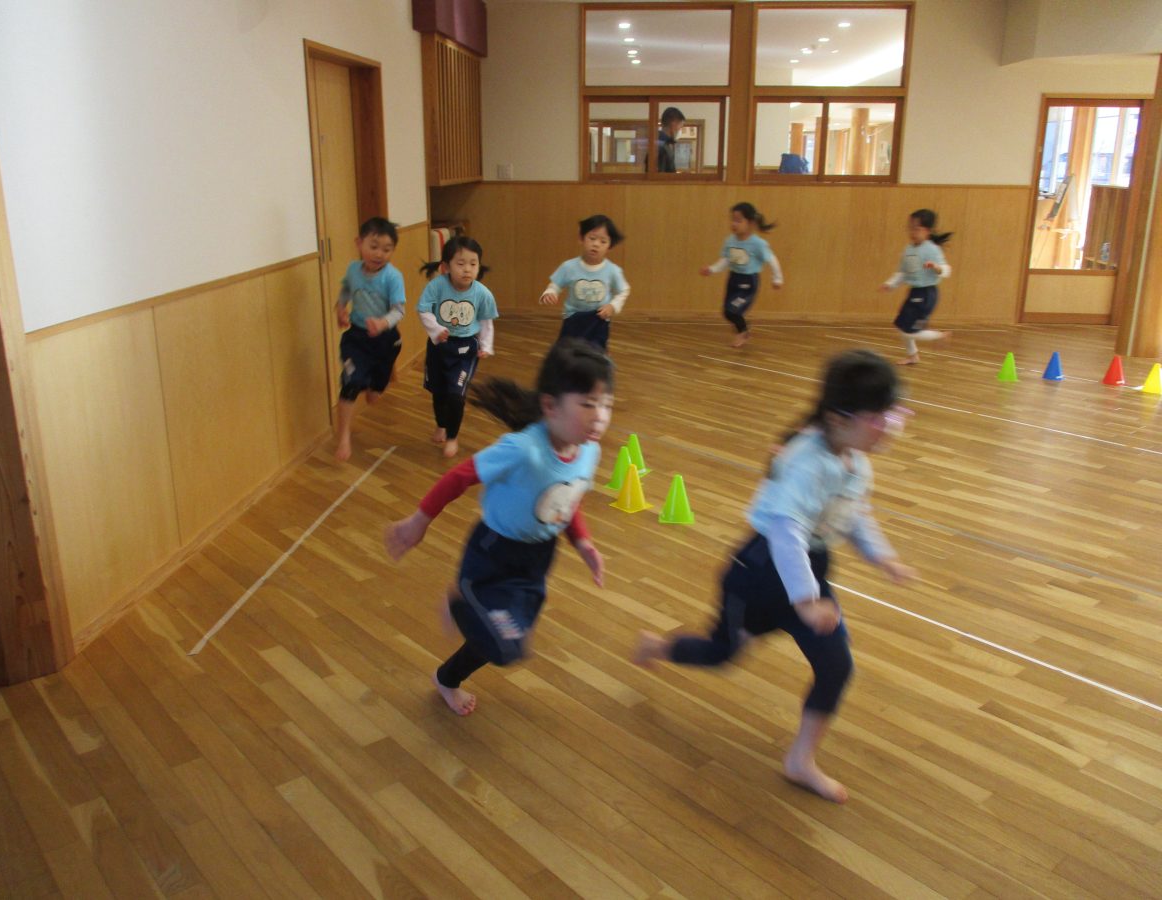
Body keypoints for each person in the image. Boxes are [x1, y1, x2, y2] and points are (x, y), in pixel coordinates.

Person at [634, 349, 916, 804]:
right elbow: (786, 533)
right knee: (722, 655)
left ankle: (800, 760)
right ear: (839, 418)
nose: (890, 426)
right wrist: (805, 601)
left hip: (808, 571)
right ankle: (657, 646)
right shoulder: (807, 462)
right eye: (879, 416)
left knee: (836, 666)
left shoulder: (856, 459)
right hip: (761, 574)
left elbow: (854, 513)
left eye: (892, 413)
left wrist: (882, 557)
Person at [385, 339, 615, 717]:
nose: (601, 416)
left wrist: (584, 543)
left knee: (505, 639)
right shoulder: (523, 449)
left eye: (607, 404)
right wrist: (418, 521)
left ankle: (446, 678)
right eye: (588, 403)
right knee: (506, 646)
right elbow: (459, 476)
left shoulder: (589, 451)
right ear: (551, 405)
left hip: (538, 558)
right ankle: (462, 596)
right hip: (493, 552)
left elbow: (569, 499)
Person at [417, 236, 499, 458]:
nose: (467, 269)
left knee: (456, 394)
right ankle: (441, 424)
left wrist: (486, 345)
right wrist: (436, 330)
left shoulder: (482, 293)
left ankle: (452, 437)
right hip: (439, 345)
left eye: (473, 263)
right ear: (446, 267)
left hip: (466, 349)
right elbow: (424, 310)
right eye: (460, 263)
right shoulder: (437, 286)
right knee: (438, 391)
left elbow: (486, 321)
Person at [333, 217, 406, 462]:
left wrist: (383, 322)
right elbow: (346, 288)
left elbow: (399, 311)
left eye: (386, 249)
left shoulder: (393, 277)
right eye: (373, 247)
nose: (379, 254)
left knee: (375, 392)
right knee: (350, 383)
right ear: (359, 243)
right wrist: (341, 307)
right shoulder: (353, 270)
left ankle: (375, 385)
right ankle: (344, 437)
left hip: (386, 340)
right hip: (357, 337)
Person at [539, 214, 630, 349]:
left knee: (595, 354)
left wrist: (613, 306)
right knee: (567, 353)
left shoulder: (612, 270)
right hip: (573, 318)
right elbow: (555, 285)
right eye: (592, 238)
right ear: (581, 238)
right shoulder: (568, 267)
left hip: (599, 320)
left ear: (609, 246)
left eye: (603, 241)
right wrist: (550, 292)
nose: (596, 244)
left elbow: (623, 290)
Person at [700, 202, 783, 348]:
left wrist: (777, 278)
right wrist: (712, 269)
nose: (734, 223)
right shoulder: (729, 240)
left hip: (748, 283)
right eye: (732, 219)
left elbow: (772, 260)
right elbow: (726, 260)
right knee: (727, 312)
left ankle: (743, 332)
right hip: (733, 279)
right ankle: (744, 329)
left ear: (750, 223)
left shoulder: (758, 244)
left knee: (732, 311)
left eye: (738, 220)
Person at [881, 208, 953, 365]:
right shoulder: (909, 250)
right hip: (914, 293)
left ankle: (940, 336)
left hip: (926, 294)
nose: (912, 232)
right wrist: (890, 284)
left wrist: (937, 267)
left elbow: (947, 270)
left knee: (911, 331)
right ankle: (912, 356)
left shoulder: (932, 250)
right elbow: (904, 273)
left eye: (917, 228)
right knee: (902, 327)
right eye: (910, 228)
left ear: (927, 231)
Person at [655, 106, 686, 173]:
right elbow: (659, 176)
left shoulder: (665, 144)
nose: (680, 130)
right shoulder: (661, 146)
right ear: (673, 124)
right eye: (680, 127)